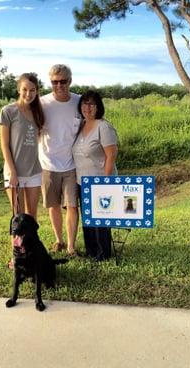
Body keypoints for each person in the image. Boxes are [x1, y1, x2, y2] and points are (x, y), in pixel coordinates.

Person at [0, 73, 44, 267]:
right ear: (19, 89)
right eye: (25, 89)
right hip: (14, 173)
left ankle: (31, 255)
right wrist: (12, 172)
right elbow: (4, 144)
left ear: (37, 91)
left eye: (32, 90)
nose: (28, 93)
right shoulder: (8, 111)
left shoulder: (38, 112)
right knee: (18, 219)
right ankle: (16, 257)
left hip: (34, 171)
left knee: (31, 218)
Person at [39, 64, 81, 256]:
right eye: (54, 82)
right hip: (48, 164)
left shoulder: (79, 102)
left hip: (72, 165)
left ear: (70, 81)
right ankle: (59, 240)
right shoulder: (41, 103)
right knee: (53, 205)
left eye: (63, 81)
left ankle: (71, 246)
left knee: (72, 205)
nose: (59, 85)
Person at [72, 90, 118, 261]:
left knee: (101, 219)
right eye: (84, 103)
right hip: (82, 182)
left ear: (98, 106)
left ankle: (103, 253)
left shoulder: (103, 127)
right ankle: (91, 250)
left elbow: (111, 156)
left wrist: (105, 182)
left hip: (100, 181)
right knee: (88, 219)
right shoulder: (81, 125)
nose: (87, 107)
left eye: (91, 103)